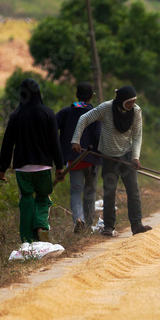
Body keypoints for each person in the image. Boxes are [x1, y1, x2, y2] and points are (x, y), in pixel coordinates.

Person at [71, 85, 151, 236]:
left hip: (127, 156)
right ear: (120, 100)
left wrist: (135, 157)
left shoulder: (136, 111)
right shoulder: (106, 108)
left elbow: (137, 135)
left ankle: (137, 225)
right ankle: (109, 226)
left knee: (133, 191)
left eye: (133, 102)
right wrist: (75, 140)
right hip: (108, 157)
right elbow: (84, 118)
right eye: (129, 102)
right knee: (109, 192)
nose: (131, 105)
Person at [0, 78, 65, 244]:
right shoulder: (47, 113)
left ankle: (27, 240)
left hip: (23, 167)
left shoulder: (16, 115)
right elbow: (55, 142)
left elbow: (7, 143)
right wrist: (59, 166)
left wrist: (3, 168)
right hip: (43, 166)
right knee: (43, 197)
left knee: (26, 200)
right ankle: (41, 227)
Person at [56, 82, 102, 233]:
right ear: (92, 96)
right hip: (93, 159)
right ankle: (88, 225)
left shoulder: (65, 112)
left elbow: (51, 128)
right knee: (90, 192)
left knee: (76, 191)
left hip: (74, 161)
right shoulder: (96, 113)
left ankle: (78, 220)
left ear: (76, 95)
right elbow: (99, 136)